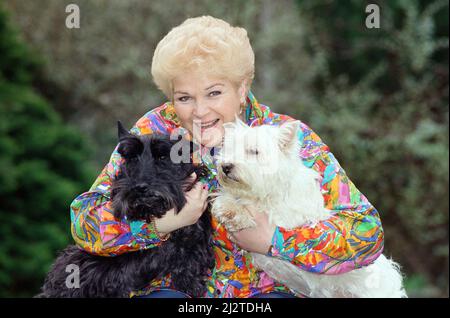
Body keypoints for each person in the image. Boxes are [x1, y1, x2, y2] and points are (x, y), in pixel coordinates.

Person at [70, 15, 384, 298]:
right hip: (174, 290)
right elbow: (85, 224)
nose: (200, 111)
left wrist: (274, 240)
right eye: (184, 98)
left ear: (242, 87)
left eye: (214, 93)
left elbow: (366, 235)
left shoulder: (287, 137)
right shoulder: (153, 133)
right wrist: (161, 224)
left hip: (269, 292)